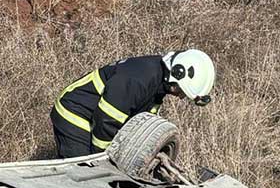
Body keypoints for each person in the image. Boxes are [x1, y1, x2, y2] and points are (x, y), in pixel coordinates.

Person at [50, 50, 216, 158]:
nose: (179, 97)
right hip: (74, 112)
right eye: (181, 91)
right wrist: (100, 157)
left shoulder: (158, 83)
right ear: (177, 74)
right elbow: (107, 121)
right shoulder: (139, 79)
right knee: (81, 171)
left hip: (93, 117)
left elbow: (139, 121)